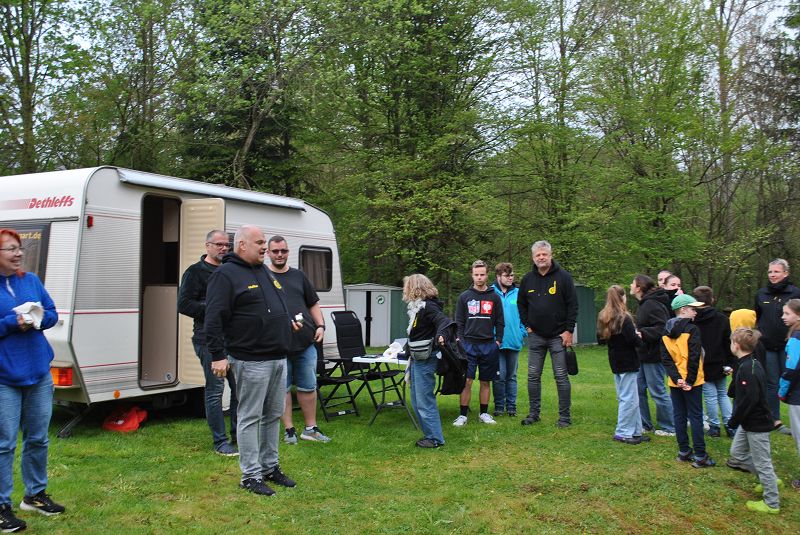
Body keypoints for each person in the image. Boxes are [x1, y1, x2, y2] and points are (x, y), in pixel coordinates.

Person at [204, 225, 298, 496]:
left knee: (272, 415)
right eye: (259, 242)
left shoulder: (263, 271)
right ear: (242, 245)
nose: (264, 247)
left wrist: (286, 323)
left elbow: (268, 307)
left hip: (277, 357)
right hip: (250, 359)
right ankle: (250, 476)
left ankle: (270, 467)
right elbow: (213, 317)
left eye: (264, 242)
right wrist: (218, 355)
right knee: (250, 417)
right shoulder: (225, 274)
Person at [0, 228, 64, 532]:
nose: (18, 254)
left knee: (38, 437)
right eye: (11, 249)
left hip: (38, 372)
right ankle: (2, 506)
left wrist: (37, 318)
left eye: (19, 248)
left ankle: (35, 495)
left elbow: (52, 313)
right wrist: (13, 322)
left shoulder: (31, 281)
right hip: (4, 377)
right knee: (4, 443)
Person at [177, 230, 238, 456]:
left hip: (233, 340)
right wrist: (214, 308)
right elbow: (184, 304)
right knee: (215, 389)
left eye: (226, 245)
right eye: (219, 244)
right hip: (207, 340)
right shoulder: (195, 272)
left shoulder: (230, 271)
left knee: (239, 389)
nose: (223, 248)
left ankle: (238, 435)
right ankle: (220, 442)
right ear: (207, 246)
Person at [266, 235, 330, 445]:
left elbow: (313, 304)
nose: (279, 254)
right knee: (282, 389)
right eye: (275, 251)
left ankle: (310, 429)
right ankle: (289, 430)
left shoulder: (298, 276)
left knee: (308, 386)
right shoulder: (263, 277)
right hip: (278, 344)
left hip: (306, 342)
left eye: (283, 251)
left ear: (288, 252)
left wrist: (320, 326)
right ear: (268, 253)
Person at [517, 240, 578, 428]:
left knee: (561, 376)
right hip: (535, 336)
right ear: (533, 257)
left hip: (559, 336)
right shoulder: (527, 279)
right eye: (538, 255)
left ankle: (564, 417)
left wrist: (569, 330)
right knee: (533, 376)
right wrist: (527, 326)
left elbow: (573, 304)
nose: (541, 257)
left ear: (551, 255)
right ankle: (534, 414)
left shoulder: (564, 277)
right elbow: (521, 304)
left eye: (544, 254)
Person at [727, 328, 782, 514]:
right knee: (737, 453)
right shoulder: (745, 364)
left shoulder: (749, 368)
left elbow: (750, 399)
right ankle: (770, 480)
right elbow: (740, 390)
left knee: (762, 462)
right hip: (748, 421)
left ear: (737, 345)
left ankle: (772, 503)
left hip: (757, 423)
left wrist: (734, 420)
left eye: (731, 342)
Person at [661, 294, 716, 468]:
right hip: (692, 381)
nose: (696, 312)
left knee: (679, 415)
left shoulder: (666, 330)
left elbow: (666, 359)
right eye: (693, 309)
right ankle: (700, 455)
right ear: (683, 310)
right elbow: (694, 356)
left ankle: (684, 451)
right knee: (696, 416)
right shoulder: (693, 330)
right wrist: (689, 381)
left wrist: (677, 378)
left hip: (676, 381)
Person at [403, 274, 452, 448]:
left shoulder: (428, 307)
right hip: (417, 358)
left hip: (426, 359)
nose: (405, 290)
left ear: (415, 288)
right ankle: (429, 435)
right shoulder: (417, 308)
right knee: (417, 400)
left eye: (407, 287)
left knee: (424, 401)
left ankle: (435, 439)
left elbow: (443, 321)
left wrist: (441, 335)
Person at [453, 260, 504, 426]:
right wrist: (460, 342)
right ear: (472, 275)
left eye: (482, 274)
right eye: (476, 274)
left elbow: (500, 321)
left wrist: (498, 341)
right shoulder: (464, 297)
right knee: (467, 381)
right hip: (468, 345)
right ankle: (462, 415)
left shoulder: (494, 297)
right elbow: (459, 323)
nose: (479, 277)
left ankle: (484, 413)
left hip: (489, 345)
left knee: (485, 381)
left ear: (487, 275)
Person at [755, 259, 800, 435]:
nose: (772, 275)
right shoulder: (761, 294)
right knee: (772, 382)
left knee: (792, 378)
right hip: (768, 345)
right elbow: (758, 316)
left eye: (776, 272)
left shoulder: (795, 293)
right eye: (770, 272)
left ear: (785, 273)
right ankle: (774, 419)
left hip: (790, 344)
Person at [597, 285, 647, 445]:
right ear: (622, 297)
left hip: (615, 360)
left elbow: (600, 339)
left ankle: (636, 431)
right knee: (628, 398)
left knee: (630, 397)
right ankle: (623, 432)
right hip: (628, 360)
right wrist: (640, 339)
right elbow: (632, 340)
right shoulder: (624, 317)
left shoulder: (604, 316)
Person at [630, 275, 676, 436]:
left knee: (657, 391)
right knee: (638, 389)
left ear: (639, 288)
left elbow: (663, 328)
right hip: (642, 354)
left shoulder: (652, 304)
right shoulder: (644, 304)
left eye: (633, 283)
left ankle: (669, 427)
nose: (630, 285)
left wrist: (642, 333)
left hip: (654, 355)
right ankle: (645, 424)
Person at [692, 286, 735, 438]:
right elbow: (727, 342)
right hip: (719, 362)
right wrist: (730, 362)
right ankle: (730, 425)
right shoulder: (722, 319)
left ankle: (715, 425)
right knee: (722, 394)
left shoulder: (693, 320)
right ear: (712, 299)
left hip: (703, 363)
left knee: (710, 396)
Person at [491, 262, 527, 417]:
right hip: (496, 342)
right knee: (499, 376)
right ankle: (499, 406)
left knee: (511, 376)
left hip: (514, 341)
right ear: (498, 276)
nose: (510, 278)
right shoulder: (490, 293)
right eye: (507, 275)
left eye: (512, 275)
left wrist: (522, 332)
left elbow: (525, 315)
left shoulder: (519, 293)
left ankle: (511, 407)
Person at [780, 299, 800, 490]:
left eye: (787, 313)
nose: (783, 317)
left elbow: (791, 368)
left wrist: (782, 390)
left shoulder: (796, 338)